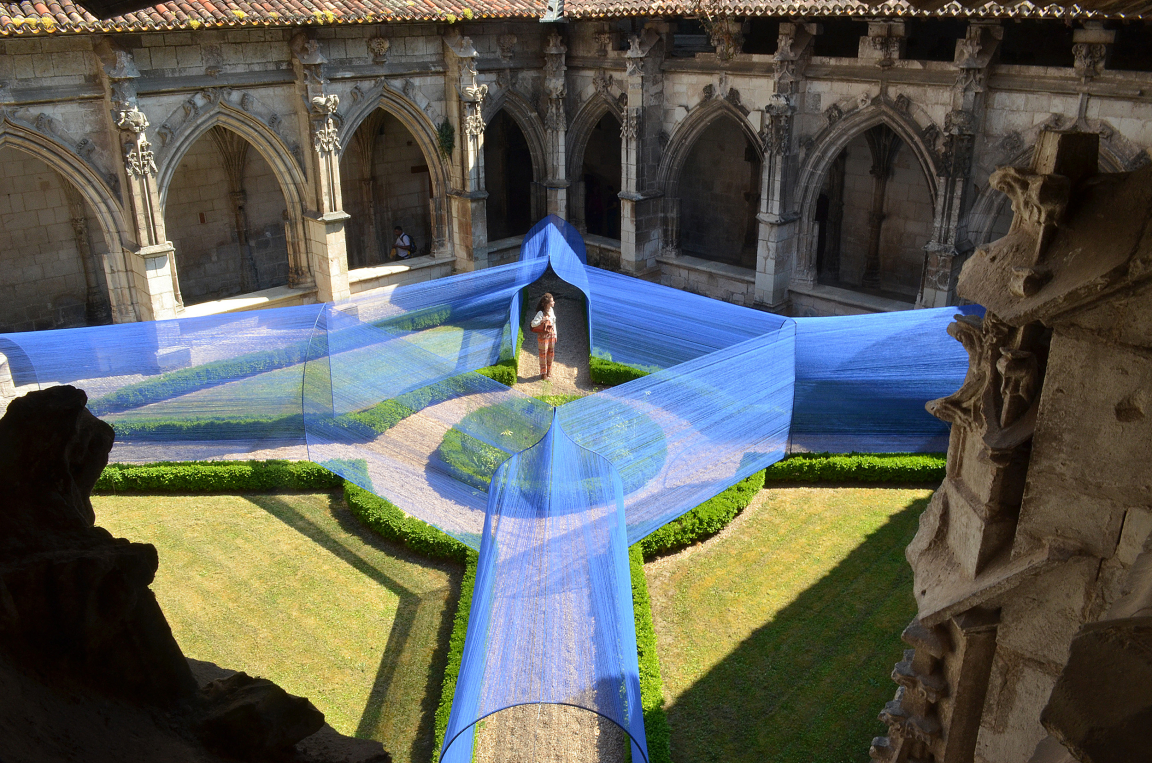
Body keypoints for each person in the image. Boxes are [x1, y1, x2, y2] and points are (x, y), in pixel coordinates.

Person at [529, 293, 557, 381]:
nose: (554, 302)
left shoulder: (551, 310)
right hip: (543, 336)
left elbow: (554, 323)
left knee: (551, 354)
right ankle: (543, 374)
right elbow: (533, 324)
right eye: (552, 301)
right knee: (543, 355)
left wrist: (555, 334)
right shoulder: (541, 313)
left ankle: (549, 371)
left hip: (551, 334)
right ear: (547, 304)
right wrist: (542, 320)